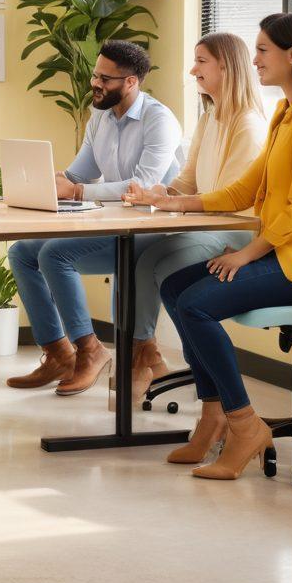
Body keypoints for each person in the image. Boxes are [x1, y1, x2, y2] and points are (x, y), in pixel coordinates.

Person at [155, 13, 292, 481]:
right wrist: (179, 204)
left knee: (197, 305)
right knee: (174, 287)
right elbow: (245, 190)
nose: (255, 58)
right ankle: (213, 415)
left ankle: (243, 425)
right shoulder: (286, 112)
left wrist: (246, 254)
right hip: (281, 253)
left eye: (262, 50)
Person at [7, 40, 182, 396]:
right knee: (23, 251)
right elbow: (80, 174)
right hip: (115, 223)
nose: (95, 84)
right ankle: (59, 354)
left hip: (155, 227)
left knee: (55, 254)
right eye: (94, 75)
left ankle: (91, 350)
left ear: (131, 82)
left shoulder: (159, 120)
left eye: (105, 78)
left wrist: (77, 192)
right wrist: (48, 181)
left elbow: (143, 186)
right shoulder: (100, 115)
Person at [123, 33, 268, 398]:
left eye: (200, 61)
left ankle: (181, 361)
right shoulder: (210, 117)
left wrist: (175, 204)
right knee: (143, 258)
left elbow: (232, 200)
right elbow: (188, 181)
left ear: (225, 66)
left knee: (158, 266)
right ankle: (145, 352)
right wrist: (159, 193)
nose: (192, 70)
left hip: (234, 232)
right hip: (207, 224)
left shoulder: (248, 125)